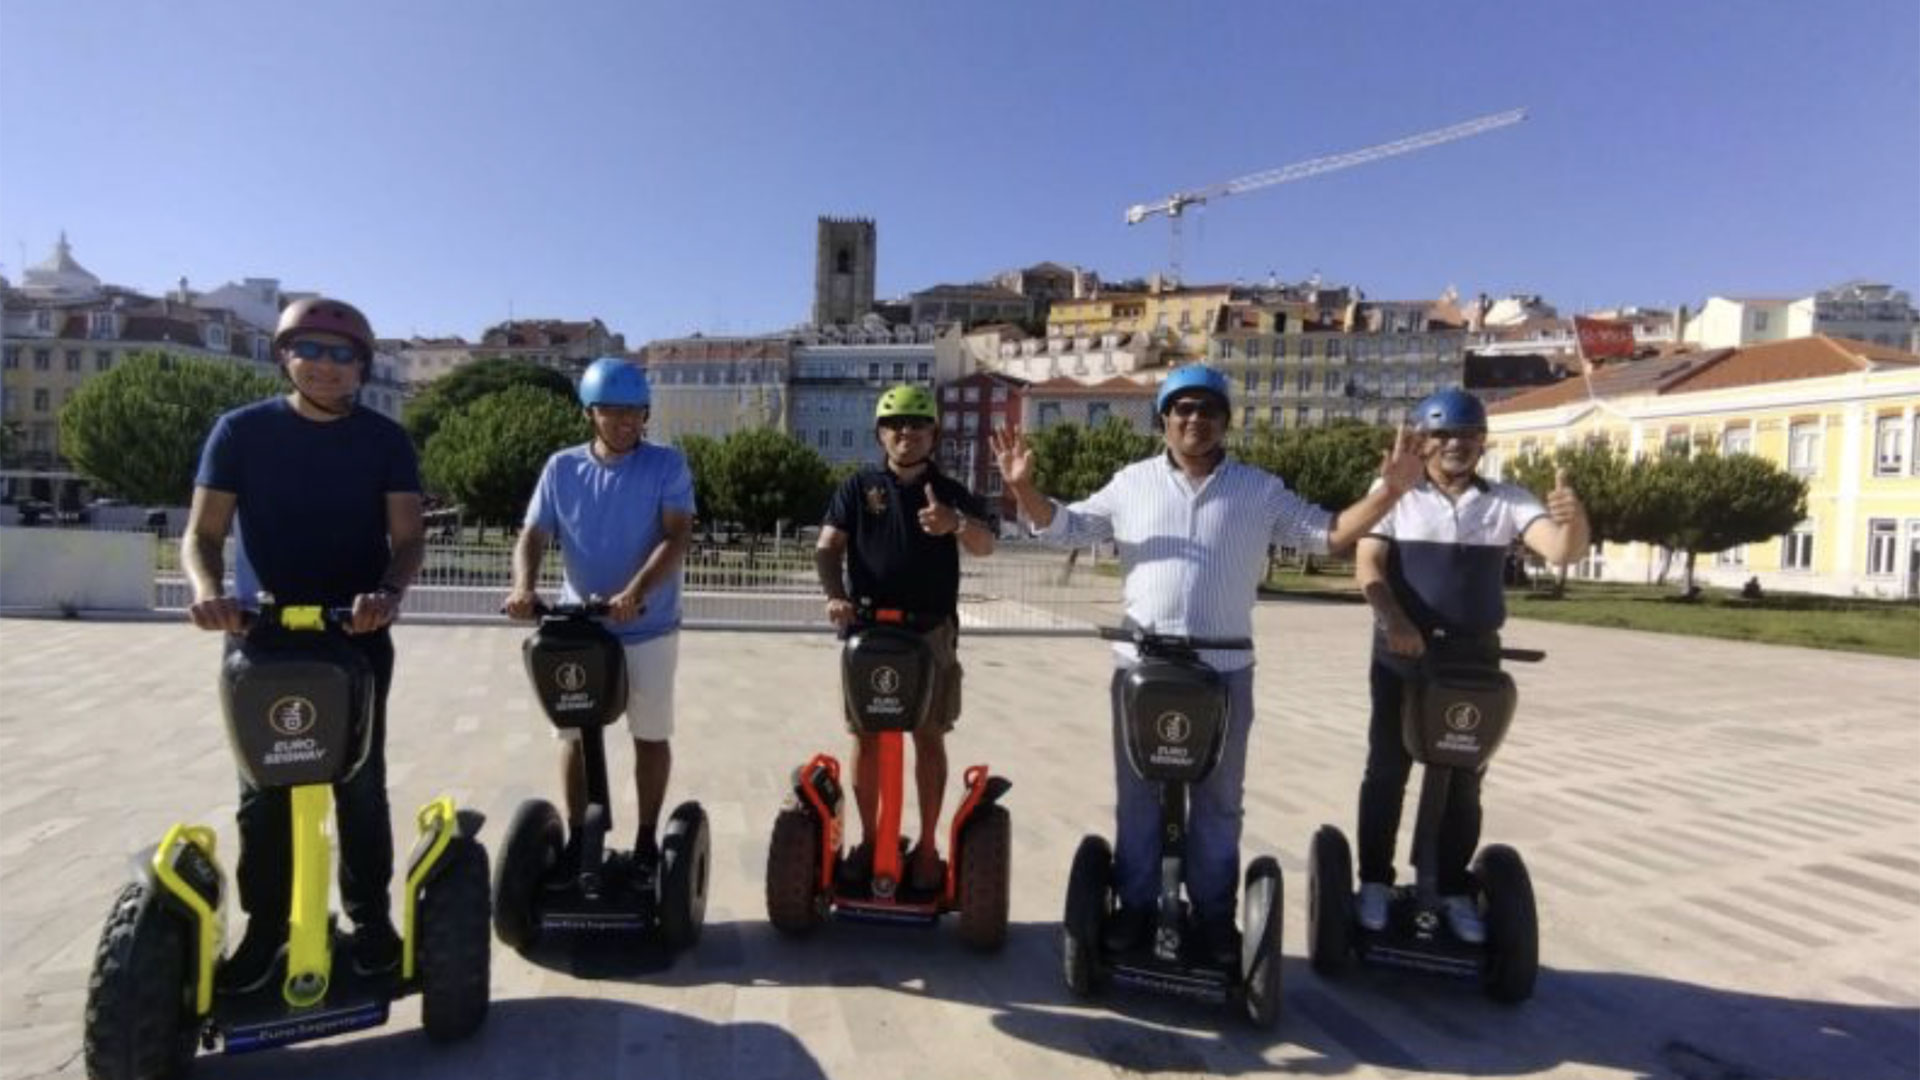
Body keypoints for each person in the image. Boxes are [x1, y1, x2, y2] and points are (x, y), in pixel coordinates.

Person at [992, 364, 1425, 963]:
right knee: (1139, 794)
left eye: (1207, 410)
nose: (1195, 419)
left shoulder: (1258, 489)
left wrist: (1391, 492)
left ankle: (1217, 917)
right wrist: (1022, 489)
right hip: (1144, 667)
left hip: (1224, 668)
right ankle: (1138, 906)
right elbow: (1063, 528)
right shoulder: (1131, 482)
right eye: (1183, 409)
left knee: (1219, 799)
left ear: (1225, 420)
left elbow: (1326, 536)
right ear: (1164, 420)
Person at [183, 296, 424, 992]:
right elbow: (203, 534)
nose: (325, 365)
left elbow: (408, 540)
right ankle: (266, 931)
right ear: (283, 356)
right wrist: (206, 589)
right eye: (309, 350)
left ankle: (370, 923)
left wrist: (388, 593)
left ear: (361, 367)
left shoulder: (385, 441)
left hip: (355, 633)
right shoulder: (240, 432)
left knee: (360, 784)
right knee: (263, 791)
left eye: (341, 355)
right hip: (259, 633)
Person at [1352, 388, 1589, 942]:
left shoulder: (1506, 499)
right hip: (1403, 651)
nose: (1456, 444)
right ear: (1424, 440)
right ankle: (1375, 882)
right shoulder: (1396, 497)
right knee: (1388, 768)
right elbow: (1368, 565)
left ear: (1483, 442)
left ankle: (1452, 888)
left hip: (1473, 655)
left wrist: (1575, 520)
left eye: (1468, 435)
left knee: (1463, 775)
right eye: (1444, 435)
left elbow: (1560, 551)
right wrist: (1395, 621)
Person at [504, 358, 694, 880]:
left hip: (647, 625)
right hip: (579, 625)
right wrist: (524, 586)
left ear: (646, 413)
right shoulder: (562, 467)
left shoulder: (666, 465)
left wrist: (634, 592)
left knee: (650, 733)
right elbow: (534, 533)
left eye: (634, 413)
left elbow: (676, 536)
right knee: (572, 733)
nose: (624, 422)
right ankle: (579, 834)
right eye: (612, 412)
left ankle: (647, 840)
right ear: (591, 413)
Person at [816, 385, 996, 893]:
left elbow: (985, 545)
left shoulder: (949, 489)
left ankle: (928, 848)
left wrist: (954, 523)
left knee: (929, 735)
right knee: (866, 736)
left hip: (929, 630)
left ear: (933, 434)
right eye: (895, 425)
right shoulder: (858, 488)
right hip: (869, 629)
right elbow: (828, 549)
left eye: (917, 424)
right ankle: (872, 841)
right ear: (880, 433)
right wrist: (835, 595)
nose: (906, 433)